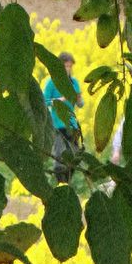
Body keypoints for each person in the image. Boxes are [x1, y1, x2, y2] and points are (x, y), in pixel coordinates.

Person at [43, 54, 83, 183]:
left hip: (72, 125)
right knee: (60, 155)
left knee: (75, 155)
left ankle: (68, 183)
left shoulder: (74, 82)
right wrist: (59, 100)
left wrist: (79, 99)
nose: (68, 69)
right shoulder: (52, 82)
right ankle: (61, 184)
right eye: (66, 66)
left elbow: (80, 105)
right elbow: (44, 101)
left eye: (70, 66)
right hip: (58, 124)